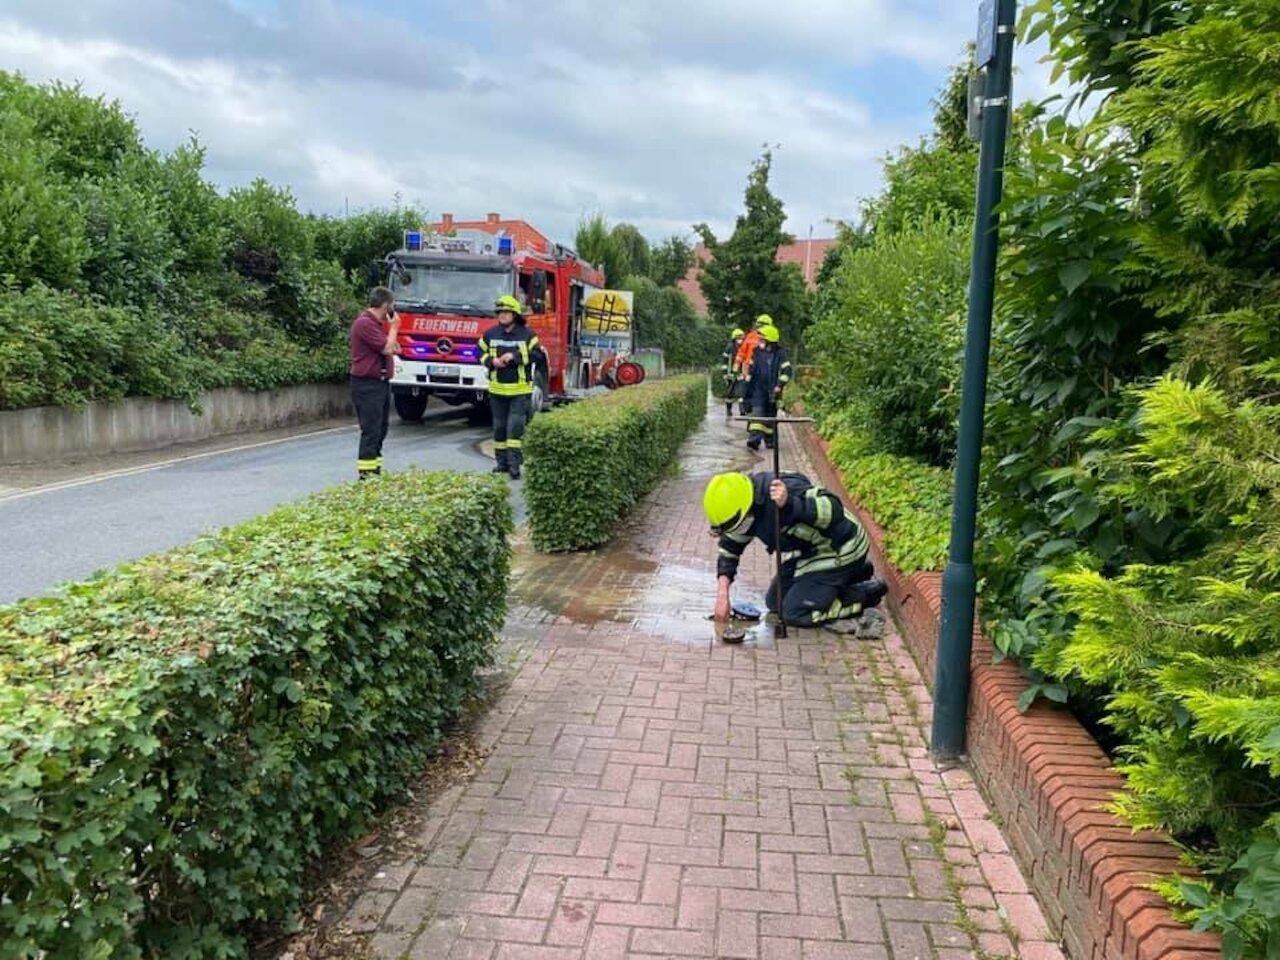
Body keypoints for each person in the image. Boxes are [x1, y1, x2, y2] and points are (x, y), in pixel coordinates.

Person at [704, 470, 887, 632]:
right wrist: (722, 594)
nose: (736, 532)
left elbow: (834, 510)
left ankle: (864, 594)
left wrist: (790, 504)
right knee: (774, 603)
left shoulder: (784, 489)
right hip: (812, 551)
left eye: (737, 526)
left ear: (747, 510)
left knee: (794, 612)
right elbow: (730, 548)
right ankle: (854, 573)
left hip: (841, 547)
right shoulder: (746, 511)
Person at [480, 294, 546, 480]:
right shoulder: (490, 334)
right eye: (499, 312)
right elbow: (479, 352)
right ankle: (501, 464)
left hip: (520, 391)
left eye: (505, 312)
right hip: (497, 390)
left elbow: (538, 356)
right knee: (499, 428)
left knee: (514, 429)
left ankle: (514, 465)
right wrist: (491, 361)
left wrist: (515, 357)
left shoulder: (528, 335)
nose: (501, 315)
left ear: (515, 314)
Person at [349, 286, 400, 479]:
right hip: (367, 385)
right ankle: (366, 477)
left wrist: (392, 339)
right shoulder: (365, 324)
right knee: (371, 431)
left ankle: (375, 472)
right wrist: (394, 328)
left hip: (380, 383)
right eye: (392, 306)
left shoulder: (375, 325)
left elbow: (393, 346)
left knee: (381, 430)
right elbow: (387, 348)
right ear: (386, 305)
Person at [743, 324, 792, 451]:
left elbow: (787, 371)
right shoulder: (757, 352)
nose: (760, 342)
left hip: (772, 391)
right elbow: (752, 370)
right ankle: (754, 440)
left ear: (770, 341)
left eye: (762, 340)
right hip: (758, 389)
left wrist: (779, 385)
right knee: (757, 414)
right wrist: (747, 386)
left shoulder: (780, 354)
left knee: (770, 417)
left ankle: (770, 441)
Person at [720, 327, 745, 418]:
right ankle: (728, 410)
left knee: (741, 392)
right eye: (738, 338)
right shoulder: (729, 347)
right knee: (729, 394)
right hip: (730, 374)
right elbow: (724, 361)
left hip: (741, 374)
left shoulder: (744, 347)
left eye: (741, 338)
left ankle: (742, 410)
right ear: (734, 338)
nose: (740, 340)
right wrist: (724, 374)